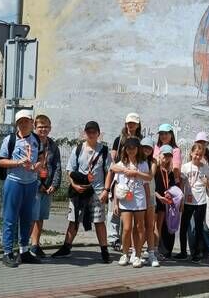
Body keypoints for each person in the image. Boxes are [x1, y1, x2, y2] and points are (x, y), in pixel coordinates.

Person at [52, 121, 112, 263]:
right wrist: (74, 185)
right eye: (88, 132)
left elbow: (110, 171)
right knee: (73, 220)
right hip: (79, 191)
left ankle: (104, 250)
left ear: (98, 134)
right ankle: (66, 247)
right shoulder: (78, 149)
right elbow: (70, 170)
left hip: (97, 191)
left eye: (94, 132)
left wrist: (106, 190)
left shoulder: (104, 151)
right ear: (85, 133)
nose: (91, 134)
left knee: (99, 221)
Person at [0, 110, 43, 267]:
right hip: (14, 182)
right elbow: (1, 161)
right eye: (20, 122)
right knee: (10, 218)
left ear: (32, 123)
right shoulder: (10, 139)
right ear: (17, 124)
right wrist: (18, 162)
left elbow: (41, 157)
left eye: (26, 121)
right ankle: (7, 252)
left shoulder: (36, 139)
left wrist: (37, 165)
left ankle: (24, 251)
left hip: (31, 183)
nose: (23, 124)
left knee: (27, 218)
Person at [108, 136, 152, 268]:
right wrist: (115, 203)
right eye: (128, 148)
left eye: (133, 148)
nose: (131, 150)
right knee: (126, 228)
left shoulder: (143, 163)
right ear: (125, 149)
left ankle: (137, 255)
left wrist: (135, 173)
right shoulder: (122, 164)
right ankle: (125, 254)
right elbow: (116, 182)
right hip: (125, 200)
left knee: (139, 227)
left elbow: (148, 180)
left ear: (138, 149)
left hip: (139, 199)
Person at [108, 113, 142, 250]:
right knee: (115, 207)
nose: (131, 125)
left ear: (138, 124)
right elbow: (112, 159)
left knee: (129, 209)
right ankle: (113, 238)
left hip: (134, 178)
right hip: (120, 174)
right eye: (129, 122)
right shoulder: (119, 139)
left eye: (133, 123)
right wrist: (122, 168)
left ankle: (127, 242)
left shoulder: (141, 139)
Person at [29, 114, 62, 258]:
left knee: (40, 217)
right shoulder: (31, 143)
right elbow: (28, 166)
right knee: (31, 217)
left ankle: (35, 245)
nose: (43, 129)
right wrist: (38, 184)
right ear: (35, 127)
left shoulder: (53, 145)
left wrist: (54, 185)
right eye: (40, 127)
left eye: (46, 127)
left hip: (47, 187)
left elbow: (57, 166)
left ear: (50, 128)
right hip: (33, 186)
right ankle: (24, 246)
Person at [176, 143, 209, 263]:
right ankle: (183, 252)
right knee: (184, 227)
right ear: (191, 153)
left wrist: (207, 182)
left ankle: (197, 253)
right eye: (196, 154)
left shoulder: (206, 168)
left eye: (200, 155)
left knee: (199, 227)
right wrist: (181, 199)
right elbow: (181, 184)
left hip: (201, 201)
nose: (198, 157)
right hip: (187, 200)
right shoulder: (185, 167)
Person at [154, 144, 178, 259]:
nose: (166, 157)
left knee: (158, 227)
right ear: (160, 154)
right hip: (154, 200)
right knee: (152, 226)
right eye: (165, 155)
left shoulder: (169, 172)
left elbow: (172, 188)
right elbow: (150, 187)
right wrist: (159, 197)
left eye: (169, 155)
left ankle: (155, 250)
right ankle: (149, 250)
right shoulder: (155, 169)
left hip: (163, 202)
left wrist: (169, 195)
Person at [140, 137, 159, 267]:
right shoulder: (135, 160)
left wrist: (134, 173)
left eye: (149, 147)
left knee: (150, 225)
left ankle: (151, 253)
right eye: (144, 147)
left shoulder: (153, 161)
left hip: (151, 194)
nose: (146, 149)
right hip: (137, 195)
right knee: (138, 226)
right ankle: (136, 252)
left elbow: (150, 176)